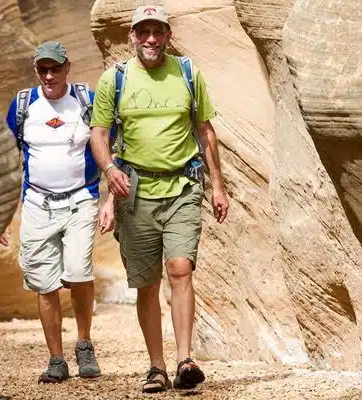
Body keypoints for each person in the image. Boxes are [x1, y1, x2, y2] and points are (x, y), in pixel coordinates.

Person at [89, 5, 229, 393]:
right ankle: (157, 366)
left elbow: (205, 131)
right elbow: (99, 134)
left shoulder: (188, 73)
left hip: (183, 188)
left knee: (181, 269)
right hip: (135, 194)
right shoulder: (113, 80)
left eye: (159, 32)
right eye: (144, 32)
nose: (151, 39)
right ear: (132, 36)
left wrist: (217, 185)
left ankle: (185, 360)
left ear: (168, 35)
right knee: (147, 284)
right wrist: (109, 171)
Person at [1, 40, 115, 384]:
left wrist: (110, 200)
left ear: (68, 67)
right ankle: (56, 359)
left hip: (81, 199)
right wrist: (3, 214)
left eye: (55, 68)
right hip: (37, 204)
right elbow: (6, 161)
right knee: (44, 284)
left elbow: (110, 146)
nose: (49, 75)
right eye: (43, 69)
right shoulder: (22, 106)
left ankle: (84, 344)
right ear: (36, 70)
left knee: (79, 272)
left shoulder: (86, 100)